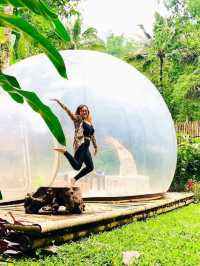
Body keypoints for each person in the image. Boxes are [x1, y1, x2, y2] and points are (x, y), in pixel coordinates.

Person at [51, 99, 98, 186]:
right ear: (79, 112)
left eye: (86, 110)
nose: (85, 112)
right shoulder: (78, 119)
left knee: (90, 167)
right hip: (81, 145)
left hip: (86, 146)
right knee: (77, 167)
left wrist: (95, 147)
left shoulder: (90, 123)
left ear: (88, 112)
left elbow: (92, 136)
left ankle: (74, 179)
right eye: (83, 110)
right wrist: (59, 102)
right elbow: (68, 112)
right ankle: (64, 152)